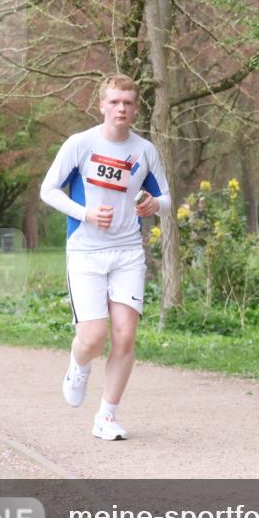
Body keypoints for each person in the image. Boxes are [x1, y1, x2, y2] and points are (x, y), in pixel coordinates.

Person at [40, 74, 172, 441]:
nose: (121, 108)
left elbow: (166, 200)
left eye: (128, 103)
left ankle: (107, 416)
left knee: (125, 336)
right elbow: (48, 190)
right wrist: (85, 213)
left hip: (128, 251)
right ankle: (79, 365)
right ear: (101, 105)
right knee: (93, 337)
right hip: (85, 252)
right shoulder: (80, 144)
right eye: (114, 102)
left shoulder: (145, 151)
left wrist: (152, 204)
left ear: (135, 108)